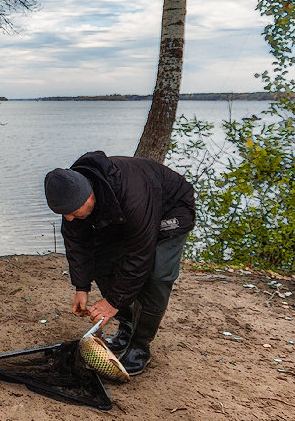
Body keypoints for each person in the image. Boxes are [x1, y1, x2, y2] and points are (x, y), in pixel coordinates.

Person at [43, 151, 195, 376]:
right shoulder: (72, 196)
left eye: (73, 213)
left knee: (157, 274)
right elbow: (77, 244)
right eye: (64, 214)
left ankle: (140, 347)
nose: (69, 219)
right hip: (123, 214)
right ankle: (127, 328)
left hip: (171, 209)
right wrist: (82, 286)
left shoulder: (132, 194)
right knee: (104, 260)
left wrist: (112, 302)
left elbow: (140, 255)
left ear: (90, 197)